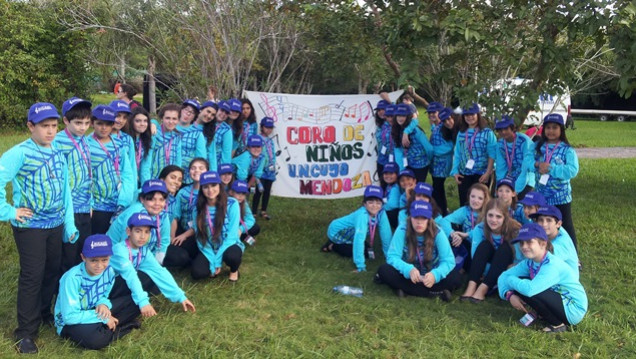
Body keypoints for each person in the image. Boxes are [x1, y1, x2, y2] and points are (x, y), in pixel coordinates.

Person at [0, 102, 78, 354]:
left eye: (54, 126)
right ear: (30, 126)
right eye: (44, 126)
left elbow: (65, 190)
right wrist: (10, 211)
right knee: (32, 276)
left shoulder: (57, 151)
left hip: (55, 225)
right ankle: (25, 332)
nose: (50, 131)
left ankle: (44, 313)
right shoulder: (19, 153)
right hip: (30, 226)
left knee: (50, 272)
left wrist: (69, 223)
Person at [54, 234, 149, 350]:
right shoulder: (72, 278)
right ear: (83, 257)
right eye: (93, 260)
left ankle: (106, 327)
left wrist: (103, 304)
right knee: (94, 340)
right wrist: (103, 318)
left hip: (94, 309)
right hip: (70, 320)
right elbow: (69, 317)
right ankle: (120, 328)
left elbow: (104, 295)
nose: (99, 265)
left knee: (136, 303)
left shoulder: (108, 271)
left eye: (104, 260)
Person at [498, 223, 587, 333]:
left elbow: (529, 290)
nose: (524, 246)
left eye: (529, 242)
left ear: (543, 244)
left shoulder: (552, 265)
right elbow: (503, 276)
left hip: (573, 308)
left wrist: (510, 280)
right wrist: (509, 294)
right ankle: (542, 314)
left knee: (526, 286)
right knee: (521, 281)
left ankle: (557, 324)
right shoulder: (529, 262)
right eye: (522, 243)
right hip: (558, 299)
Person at [109, 213, 196, 315]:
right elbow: (130, 275)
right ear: (128, 231)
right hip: (107, 288)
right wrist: (143, 302)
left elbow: (159, 271)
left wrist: (181, 297)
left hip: (123, 282)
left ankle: (132, 299)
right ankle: (120, 303)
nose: (142, 236)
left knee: (153, 278)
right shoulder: (119, 250)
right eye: (138, 231)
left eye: (147, 232)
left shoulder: (143, 250)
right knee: (143, 278)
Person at [376, 201, 459, 301]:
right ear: (410, 217)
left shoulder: (438, 232)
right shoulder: (402, 229)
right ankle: (434, 293)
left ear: (429, 219)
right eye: (416, 218)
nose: (419, 222)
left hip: (431, 273)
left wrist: (435, 275)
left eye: (423, 218)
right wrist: (408, 269)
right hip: (409, 275)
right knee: (384, 270)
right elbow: (392, 256)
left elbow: (448, 260)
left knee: (456, 277)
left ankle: (406, 289)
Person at [53, 97, 94, 271]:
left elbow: (88, 172)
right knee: (68, 252)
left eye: (86, 123)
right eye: (78, 123)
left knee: (82, 250)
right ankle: (62, 290)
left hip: (85, 206)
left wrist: (90, 202)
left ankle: (78, 283)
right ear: (65, 121)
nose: (83, 127)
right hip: (68, 207)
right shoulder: (57, 142)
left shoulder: (84, 139)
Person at [532, 113, 579, 252]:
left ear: (561, 130)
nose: (551, 131)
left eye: (554, 127)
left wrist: (551, 169)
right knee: (542, 225)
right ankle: (542, 252)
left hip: (561, 197)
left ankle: (573, 256)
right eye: (548, 127)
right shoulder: (537, 147)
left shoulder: (567, 150)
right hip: (541, 196)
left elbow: (572, 170)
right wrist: (536, 165)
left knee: (565, 226)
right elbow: (528, 161)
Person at [460, 198, 521, 303]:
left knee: (505, 248)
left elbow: (518, 261)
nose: (493, 220)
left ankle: (483, 288)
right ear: (485, 215)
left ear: (505, 218)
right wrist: (487, 272)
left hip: (506, 267)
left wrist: (497, 273)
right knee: (484, 245)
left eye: (498, 216)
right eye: (490, 215)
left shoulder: (515, 230)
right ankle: (471, 286)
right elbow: (475, 255)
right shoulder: (480, 228)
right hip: (489, 266)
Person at [187, 171, 243, 281]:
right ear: (201, 190)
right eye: (206, 187)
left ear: (220, 186)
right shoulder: (197, 208)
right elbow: (200, 238)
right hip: (209, 247)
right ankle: (214, 261)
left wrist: (217, 261)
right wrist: (212, 260)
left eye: (214, 185)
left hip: (229, 244)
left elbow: (232, 236)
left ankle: (234, 270)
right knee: (198, 273)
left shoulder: (232, 204)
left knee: (232, 256)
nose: (210, 190)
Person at [88, 105, 135, 234]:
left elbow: (127, 171)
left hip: (118, 204)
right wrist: (89, 203)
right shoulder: (86, 144)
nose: (104, 128)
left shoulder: (118, 143)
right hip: (98, 205)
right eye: (99, 124)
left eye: (108, 124)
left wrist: (126, 199)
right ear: (92, 123)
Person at [322, 186, 392, 272]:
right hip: (337, 231)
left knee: (367, 252)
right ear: (364, 204)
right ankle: (331, 245)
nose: (374, 206)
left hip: (352, 233)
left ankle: (343, 244)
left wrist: (390, 258)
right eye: (370, 202)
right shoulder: (362, 215)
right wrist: (361, 266)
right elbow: (359, 240)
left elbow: (386, 235)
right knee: (349, 252)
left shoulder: (382, 212)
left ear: (382, 204)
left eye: (378, 202)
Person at [107, 180, 170, 266]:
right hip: (116, 257)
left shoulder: (162, 214)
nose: (157, 204)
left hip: (143, 254)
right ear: (142, 199)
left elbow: (164, 240)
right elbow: (125, 245)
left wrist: (157, 263)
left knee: (178, 257)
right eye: (152, 199)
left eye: (161, 200)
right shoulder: (136, 213)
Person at [450, 103, 497, 207]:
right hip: (464, 172)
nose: (469, 117)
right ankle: (465, 222)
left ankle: (481, 222)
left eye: (472, 114)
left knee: (482, 202)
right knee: (465, 201)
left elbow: (492, 154)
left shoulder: (487, 132)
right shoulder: (461, 133)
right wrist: (455, 171)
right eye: (466, 115)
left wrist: (488, 172)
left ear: (478, 115)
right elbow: (457, 152)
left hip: (481, 174)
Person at [170, 159, 208, 267]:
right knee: (179, 247)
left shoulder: (210, 191)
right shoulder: (183, 192)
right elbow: (175, 216)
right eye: (193, 168)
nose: (197, 171)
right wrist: (172, 237)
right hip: (183, 229)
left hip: (202, 233)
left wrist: (184, 236)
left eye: (201, 168)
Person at [528, 206, 579, 276]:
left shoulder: (562, 243)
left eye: (549, 220)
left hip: (562, 284)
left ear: (558, 224)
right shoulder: (555, 230)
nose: (544, 224)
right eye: (540, 220)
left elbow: (543, 260)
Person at [494, 115, 535, 200]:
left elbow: (526, 169)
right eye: (500, 130)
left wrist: (515, 190)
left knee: (521, 205)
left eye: (506, 129)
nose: (503, 132)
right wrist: (500, 186)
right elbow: (500, 168)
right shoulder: (500, 144)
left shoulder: (524, 141)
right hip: (511, 177)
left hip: (527, 178)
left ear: (512, 128)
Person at [392, 104, 433, 183]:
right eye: (398, 115)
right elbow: (398, 149)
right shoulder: (397, 129)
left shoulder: (416, 130)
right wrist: (401, 168)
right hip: (408, 164)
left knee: (418, 189)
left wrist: (428, 161)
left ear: (408, 117)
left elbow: (429, 148)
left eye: (403, 116)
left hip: (421, 165)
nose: (400, 118)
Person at [430, 107, 456, 215]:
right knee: (437, 188)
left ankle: (442, 211)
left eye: (449, 119)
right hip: (435, 164)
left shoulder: (455, 130)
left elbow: (450, 148)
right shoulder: (440, 127)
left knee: (437, 188)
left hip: (443, 164)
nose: (448, 122)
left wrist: (432, 151)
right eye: (445, 121)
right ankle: (441, 210)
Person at [109, 100, 137, 195]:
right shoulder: (95, 137)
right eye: (118, 116)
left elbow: (132, 167)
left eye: (124, 117)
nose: (120, 120)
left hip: (124, 189)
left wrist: (133, 192)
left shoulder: (128, 139)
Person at [149, 103, 183, 180]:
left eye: (174, 119)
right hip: (154, 177)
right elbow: (148, 158)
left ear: (178, 120)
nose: (171, 121)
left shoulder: (177, 136)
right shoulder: (155, 133)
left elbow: (178, 160)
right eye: (167, 118)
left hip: (171, 179)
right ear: (162, 118)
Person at [252, 117, 276, 220]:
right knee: (259, 191)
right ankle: (253, 211)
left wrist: (273, 164)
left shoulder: (271, 141)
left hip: (270, 171)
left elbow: (273, 154)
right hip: (261, 170)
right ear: (262, 127)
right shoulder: (257, 138)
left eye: (271, 128)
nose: (269, 130)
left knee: (267, 191)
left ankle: (263, 210)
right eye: (267, 127)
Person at [178, 99, 206, 185]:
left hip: (188, 177)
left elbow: (201, 157)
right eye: (186, 109)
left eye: (192, 112)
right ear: (181, 110)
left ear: (195, 116)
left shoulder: (197, 133)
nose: (188, 113)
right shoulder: (170, 127)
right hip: (169, 174)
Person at [125, 106, 153, 186]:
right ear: (131, 122)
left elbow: (146, 167)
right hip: (126, 180)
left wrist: (146, 187)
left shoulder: (147, 140)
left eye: (145, 121)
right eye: (138, 121)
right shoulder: (125, 139)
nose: (142, 124)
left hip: (139, 181)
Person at [229, 180, 260, 245]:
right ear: (231, 192)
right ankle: (243, 238)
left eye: (243, 194)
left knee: (255, 228)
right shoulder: (227, 203)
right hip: (228, 228)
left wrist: (241, 229)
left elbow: (251, 219)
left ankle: (242, 237)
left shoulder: (244, 203)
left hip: (238, 227)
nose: (240, 196)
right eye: (238, 193)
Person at [196, 101, 219, 171]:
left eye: (213, 115)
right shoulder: (188, 125)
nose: (209, 116)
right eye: (208, 111)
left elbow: (212, 154)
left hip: (199, 168)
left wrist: (213, 172)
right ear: (201, 109)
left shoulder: (209, 131)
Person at [381, 162, 401, 229]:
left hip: (394, 213)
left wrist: (379, 208)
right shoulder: (389, 185)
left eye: (391, 173)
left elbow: (392, 205)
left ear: (397, 174)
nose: (388, 176)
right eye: (386, 173)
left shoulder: (395, 188)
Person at [214, 101, 233, 165]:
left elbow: (226, 153)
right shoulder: (206, 122)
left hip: (215, 164)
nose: (223, 114)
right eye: (222, 110)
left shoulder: (226, 130)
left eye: (226, 113)